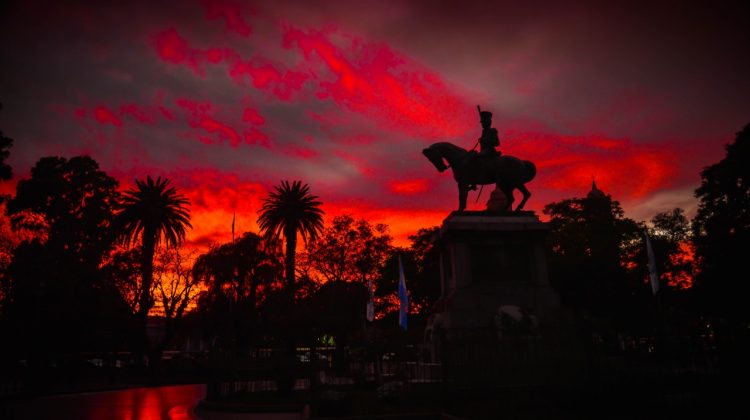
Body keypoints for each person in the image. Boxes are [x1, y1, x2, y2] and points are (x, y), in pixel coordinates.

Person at [469, 109, 501, 190]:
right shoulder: (484, 131)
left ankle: (474, 182)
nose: (482, 124)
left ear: (488, 122)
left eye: (483, 122)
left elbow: (497, 143)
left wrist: (485, 140)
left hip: (489, 151)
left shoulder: (492, 131)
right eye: (482, 122)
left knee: (476, 157)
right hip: (483, 151)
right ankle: (473, 181)